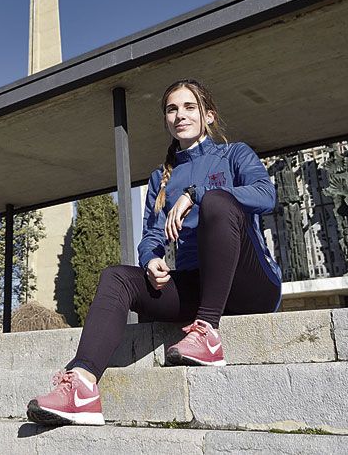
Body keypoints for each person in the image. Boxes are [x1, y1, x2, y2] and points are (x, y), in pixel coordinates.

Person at [27, 78, 282, 426]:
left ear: (208, 116)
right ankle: (83, 387)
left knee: (218, 201)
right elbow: (151, 237)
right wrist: (151, 261)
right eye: (172, 109)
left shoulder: (234, 154)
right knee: (117, 276)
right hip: (198, 285)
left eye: (189, 107)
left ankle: (207, 332)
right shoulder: (160, 178)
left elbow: (266, 195)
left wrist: (197, 193)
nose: (180, 115)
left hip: (250, 285)